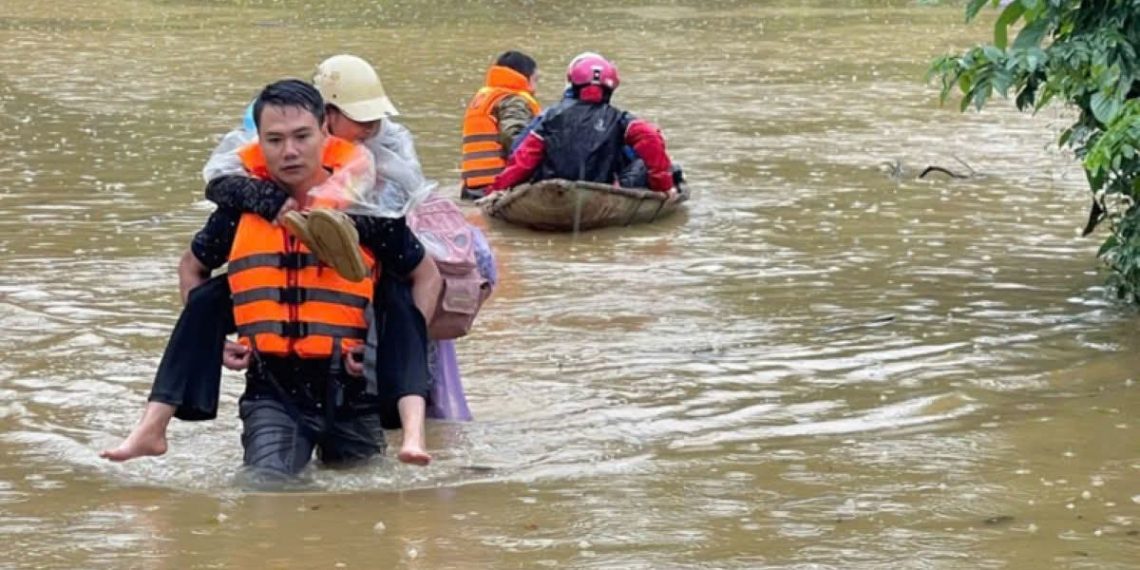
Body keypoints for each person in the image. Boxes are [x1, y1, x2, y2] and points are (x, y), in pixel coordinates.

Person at [489, 52, 676, 194]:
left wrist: (496, 189)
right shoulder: (620, 119)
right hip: (602, 187)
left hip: (551, 186)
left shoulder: (550, 116)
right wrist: (663, 185)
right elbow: (651, 139)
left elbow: (523, 160)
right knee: (653, 163)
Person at [459, 51, 542, 200]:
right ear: (525, 77)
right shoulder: (513, 100)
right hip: (496, 186)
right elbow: (514, 138)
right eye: (536, 80)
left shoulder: (485, 97)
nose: (535, 88)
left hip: (472, 186)